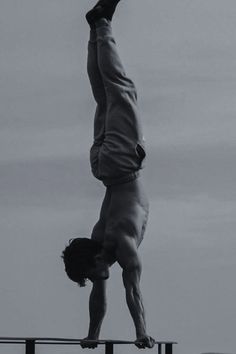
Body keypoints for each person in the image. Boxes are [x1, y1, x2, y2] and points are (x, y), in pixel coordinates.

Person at [62, 0, 155, 349]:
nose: (96, 279)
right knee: (103, 96)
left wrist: (141, 332)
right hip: (102, 168)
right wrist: (92, 336)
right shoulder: (99, 240)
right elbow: (99, 300)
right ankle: (95, 30)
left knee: (122, 91)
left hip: (123, 164)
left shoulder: (119, 241)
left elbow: (133, 291)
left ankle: (102, 24)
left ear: (97, 259)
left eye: (92, 273)